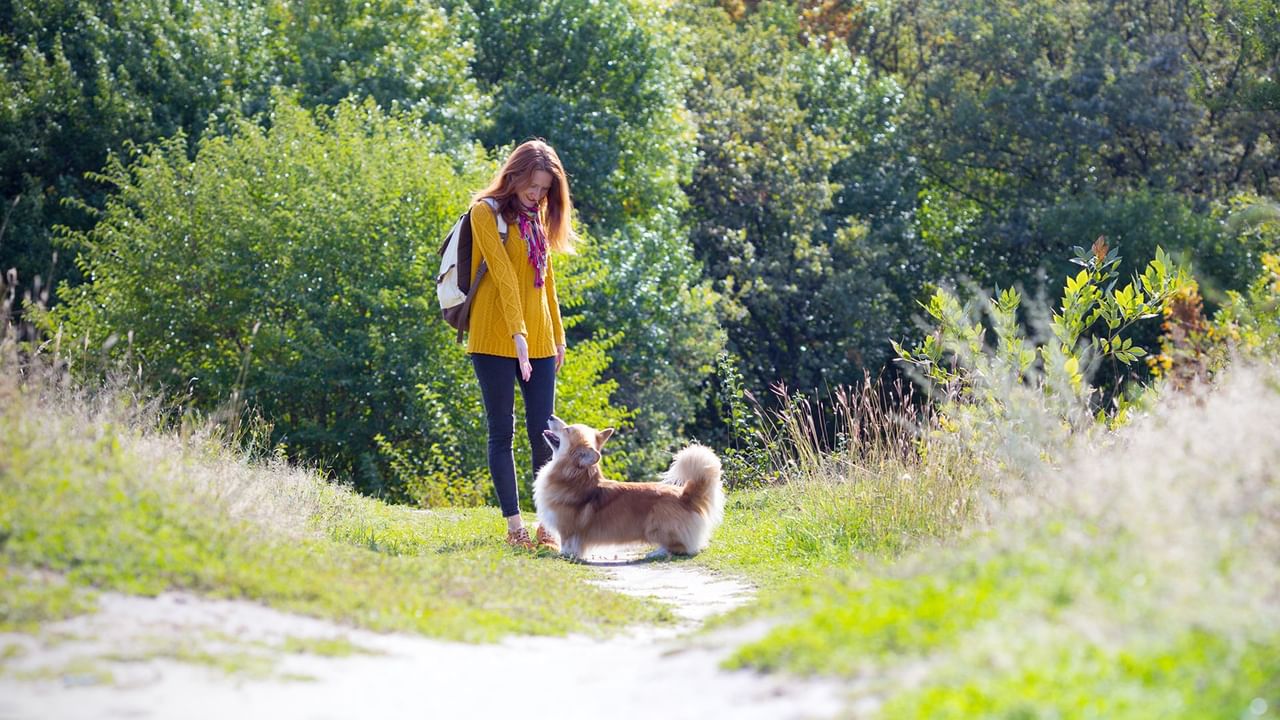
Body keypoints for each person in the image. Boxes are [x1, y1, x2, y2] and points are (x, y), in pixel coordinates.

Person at [466, 139, 576, 550]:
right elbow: (504, 278)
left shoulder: (538, 220)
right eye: (532, 186)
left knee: (544, 432)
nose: (537, 195)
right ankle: (515, 527)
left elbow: (544, 281)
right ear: (514, 176)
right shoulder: (485, 213)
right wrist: (518, 335)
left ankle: (546, 523)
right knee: (501, 432)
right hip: (495, 336)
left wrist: (556, 336)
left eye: (545, 189)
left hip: (540, 339)